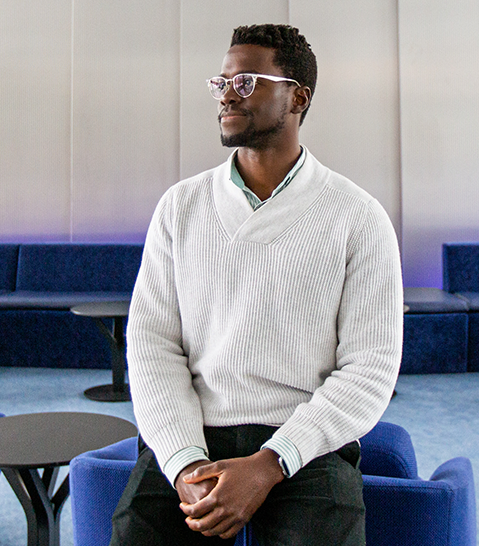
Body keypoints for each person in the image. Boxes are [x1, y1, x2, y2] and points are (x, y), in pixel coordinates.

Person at [114, 23, 404, 546]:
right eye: (222, 82)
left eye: (246, 81)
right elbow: (153, 345)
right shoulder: (181, 207)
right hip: (194, 435)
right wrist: (183, 465)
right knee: (138, 530)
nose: (227, 93)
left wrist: (271, 463)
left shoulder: (357, 216)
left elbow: (370, 369)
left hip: (305, 443)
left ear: (298, 96)